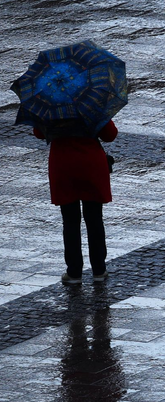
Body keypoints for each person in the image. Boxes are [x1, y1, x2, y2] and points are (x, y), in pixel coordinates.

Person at [33, 119, 118, 285]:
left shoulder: (53, 106)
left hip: (63, 165)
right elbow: (110, 135)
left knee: (70, 221)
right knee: (94, 219)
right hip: (91, 164)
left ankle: (74, 272)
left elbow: (38, 133)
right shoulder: (91, 105)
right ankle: (99, 269)